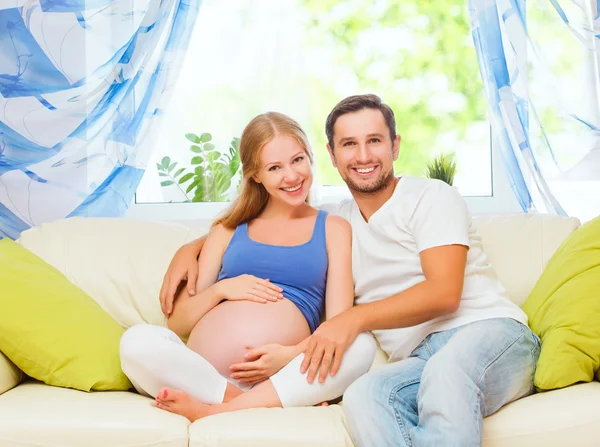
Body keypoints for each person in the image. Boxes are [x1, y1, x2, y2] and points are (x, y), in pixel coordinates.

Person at [161, 94, 541, 446]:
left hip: (488, 333)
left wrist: (352, 320)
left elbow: (444, 293)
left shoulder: (430, 197)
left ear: (395, 146)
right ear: (331, 154)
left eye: (374, 141)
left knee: (446, 372)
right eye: (349, 144)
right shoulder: (335, 221)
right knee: (364, 395)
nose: (363, 155)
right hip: (417, 360)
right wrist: (191, 247)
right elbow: (268, 226)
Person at [120, 111, 376, 422]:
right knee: (135, 341)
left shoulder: (333, 228)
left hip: (285, 373)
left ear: (310, 157)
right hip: (206, 376)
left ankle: (217, 410)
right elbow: (178, 325)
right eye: (275, 168)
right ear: (255, 174)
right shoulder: (227, 231)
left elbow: (337, 327)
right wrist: (223, 289)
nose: (292, 176)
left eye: (298, 160)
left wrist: (288, 356)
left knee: (361, 346)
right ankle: (242, 401)